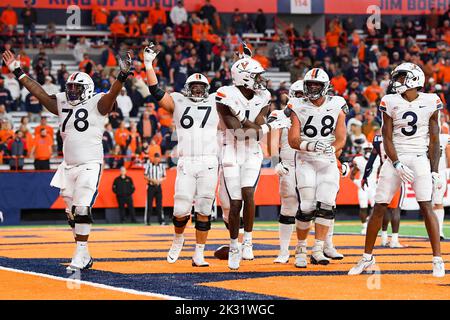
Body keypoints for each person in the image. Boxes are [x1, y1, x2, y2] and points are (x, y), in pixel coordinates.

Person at [2, 49, 133, 271]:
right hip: (68, 165)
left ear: (88, 90)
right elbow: (41, 94)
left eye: (76, 88)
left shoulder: (98, 102)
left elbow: (111, 95)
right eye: (70, 87)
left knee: (82, 208)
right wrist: (18, 71)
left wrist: (122, 75)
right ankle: (84, 255)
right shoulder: (62, 102)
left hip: (90, 163)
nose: (71, 91)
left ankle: (80, 255)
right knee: (72, 213)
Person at [349, 63, 445, 278]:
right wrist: (396, 163)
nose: (397, 82)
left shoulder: (431, 101)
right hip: (395, 158)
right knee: (379, 206)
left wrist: (435, 169)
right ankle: (366, 258)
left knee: (426, 205)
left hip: (420, 157)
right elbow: (387, 136)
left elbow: (435, 138)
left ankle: (437, 259)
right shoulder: (389, 101)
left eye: (401, 78)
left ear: (413, 79)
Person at [215, 46, 291, 270]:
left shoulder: (264, 96)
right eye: (256, 76)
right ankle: (234, 245)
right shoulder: (225, 94)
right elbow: (238, 132)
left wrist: (251, 121)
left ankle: (247, 241)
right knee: (234, 202)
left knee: (248, 193)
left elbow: (255, 128)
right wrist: (268, 126)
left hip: (251, 150)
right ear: (245, 78)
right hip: (231, 147)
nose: (261, 80)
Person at [143, 44, 219, 267]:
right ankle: (178, 239)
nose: (197, 90)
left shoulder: (217, 100)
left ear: (206, 88)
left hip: (208, 161)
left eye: (200, 87)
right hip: (186, 160)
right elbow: (156, 91)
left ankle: (199, 253)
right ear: (187, 87)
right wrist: (148, 65)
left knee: (205, 209)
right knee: (180, 208)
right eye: (193, 86)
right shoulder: (178, 100)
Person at [287, 68, 347, 268]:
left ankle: (318, 249)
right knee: (306, 206)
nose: (313, 88)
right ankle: (301, 247)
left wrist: (332, 150)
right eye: (310, 84)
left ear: (325, 86)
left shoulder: (337, 104)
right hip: (305, 158)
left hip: (327, 160)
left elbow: (341, 138)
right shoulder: (297, 105)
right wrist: (311, 145)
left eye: (317, 85)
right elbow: (293, 140)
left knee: (327, 203)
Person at [361, 133, 404, 248]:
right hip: (396, 171)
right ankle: (394, 240)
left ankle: (384, 238)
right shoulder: (397, 134)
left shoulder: (377, 139)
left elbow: (370, 161)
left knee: (384, 207)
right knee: (395, 209)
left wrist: (365, 176)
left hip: (383, 173)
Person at [350, 142, 379, 235]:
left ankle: (370, 221)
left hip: (374, 187)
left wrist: (379, 181)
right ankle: (364, 226)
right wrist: (357, 183)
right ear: (363, 151)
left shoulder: (378, 159)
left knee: (375, 207)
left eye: (370, 150)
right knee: (363, 207)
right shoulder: (359, 160)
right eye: (366, 149)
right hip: (363, 187)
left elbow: (381, 171)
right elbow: (352, 175)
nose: (368, 151)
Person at [432, 128, 450, 240]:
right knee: (428, 203)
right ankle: (435, 230)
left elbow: (448, 150)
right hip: (425, 172)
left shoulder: (444, 137)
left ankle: (439, 231)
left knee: (438, 202)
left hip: (439, 172)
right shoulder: (421, 137)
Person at [144, 153, 166, 226]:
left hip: (158, 186)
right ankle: (147, 221)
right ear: (153, 158)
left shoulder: (162, 166)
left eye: (158, 158)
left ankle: (161, 221)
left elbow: (164, 177)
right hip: (151, 186)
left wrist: (159, 181)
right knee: (149, 204)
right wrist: (153, 180)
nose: (157, 159)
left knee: (159, 205)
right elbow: (145, 176)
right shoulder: (149, 165)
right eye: (155, 157)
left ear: (159, 158)